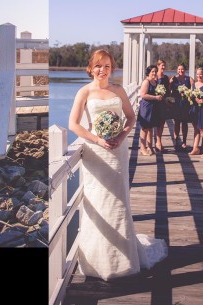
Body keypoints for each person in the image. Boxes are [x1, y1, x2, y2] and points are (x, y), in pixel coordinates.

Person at [68, 50, 168, 281]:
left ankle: (124, 259)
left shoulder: (118, 90)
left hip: (117, 151)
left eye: (107, 66)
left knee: (118, 199)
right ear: (90, 68)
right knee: (98, 199)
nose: (102, 70)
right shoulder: (84, 92)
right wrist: (97, 139)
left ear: (112, 68)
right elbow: (73, 124)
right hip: (96, 151)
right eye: (98, 66)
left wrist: (121, 137)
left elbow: (131, 118)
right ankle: (96, 259)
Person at [137, 65, 163, 155]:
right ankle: (142, 148)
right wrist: (155, 97)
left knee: (150, 127)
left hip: (153, 107)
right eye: (152, 71)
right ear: (148, 72)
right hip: (146, 107)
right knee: (144, 128)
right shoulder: (146, 82)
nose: (154, 73)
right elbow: (143, 95)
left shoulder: (155, 82)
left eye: (155, 71)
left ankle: (150, 147)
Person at [169, 63, 193, 151]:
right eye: (179, 69)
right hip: (176, 103)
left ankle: (184, 141)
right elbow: (169, 90)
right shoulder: (173, 78)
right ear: (177, 70)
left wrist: (187, 93)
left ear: (185, 70)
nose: (180, 71)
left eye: (182, 69)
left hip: (185, 103)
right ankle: (176, 141)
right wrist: (170, 83)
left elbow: (193, 90)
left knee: (184, 123)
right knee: (177, 122)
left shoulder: (189, 79)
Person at [188, 66, 203, 155]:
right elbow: (190, 96)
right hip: (195, 109)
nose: (199, 76)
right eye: (197, 74)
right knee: (196, 128)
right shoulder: (194, 85)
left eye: (201, 74)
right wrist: (190, 97)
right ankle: (195, 148)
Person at [153, 59, 170, 153]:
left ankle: (159, 142)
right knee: (156, 122)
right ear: (158, 66)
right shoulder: (155, 77)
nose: (163, 67)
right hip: (156, 102)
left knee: (162, 123)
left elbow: (168, 89)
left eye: (164, 65)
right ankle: (157, 143)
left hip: (164, 102)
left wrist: (168, 100)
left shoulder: (166, 77)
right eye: (161, 65)